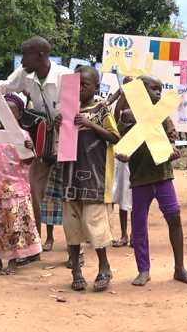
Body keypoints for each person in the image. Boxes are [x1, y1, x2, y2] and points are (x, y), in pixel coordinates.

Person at [0, 36, 71, 264]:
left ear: (40, 55)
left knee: (69, 196)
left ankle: (75, 251)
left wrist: (66, 117)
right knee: (34, 193)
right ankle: (33, 249)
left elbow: (73, 113)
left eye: (26, 55)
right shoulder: (24, 75)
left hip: (67, 140)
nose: (22, 60)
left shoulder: (66, 77)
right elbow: (3, 86)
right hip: (40, 143)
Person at [116, 76, 187, 287]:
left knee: (174, 218)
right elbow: (121, 144)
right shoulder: (127, 116)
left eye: (160, 89)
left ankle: (179, 268)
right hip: (140, 179)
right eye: (153, 89)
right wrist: (122, 153)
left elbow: (170, 143)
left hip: (162, 176)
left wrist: (173, 152)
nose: (158, 93)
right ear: (140, 92)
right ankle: (143, 270)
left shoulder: (162, 117)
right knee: (139, 224)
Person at [64, 66, 120, 292]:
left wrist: (90, 124)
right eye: (76, 84)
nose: (79, 88)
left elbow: (115, 137)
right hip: (69, 176)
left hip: (95, 177)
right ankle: (76, 271)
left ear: (96, 87)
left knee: (95, 224)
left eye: (84, 84)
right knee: (72, 226)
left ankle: (104, 267)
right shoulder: (67, 109)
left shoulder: (102, 109)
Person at [0, 94, 42, 275]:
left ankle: (13, 262)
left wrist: (30, 149)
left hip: (16, 190)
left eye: (11, 113)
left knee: (14, 226)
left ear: (19, 115)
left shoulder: (23, 136)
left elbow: (28, 162)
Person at [111, 76, 133, 248]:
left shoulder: (142, 108)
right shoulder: (123, 108)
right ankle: (124, 235)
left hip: (138, 161)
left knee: (135, 200)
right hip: (122, 159)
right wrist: (123, 93)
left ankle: (134, 235)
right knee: (122, 199)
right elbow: (116, 116)